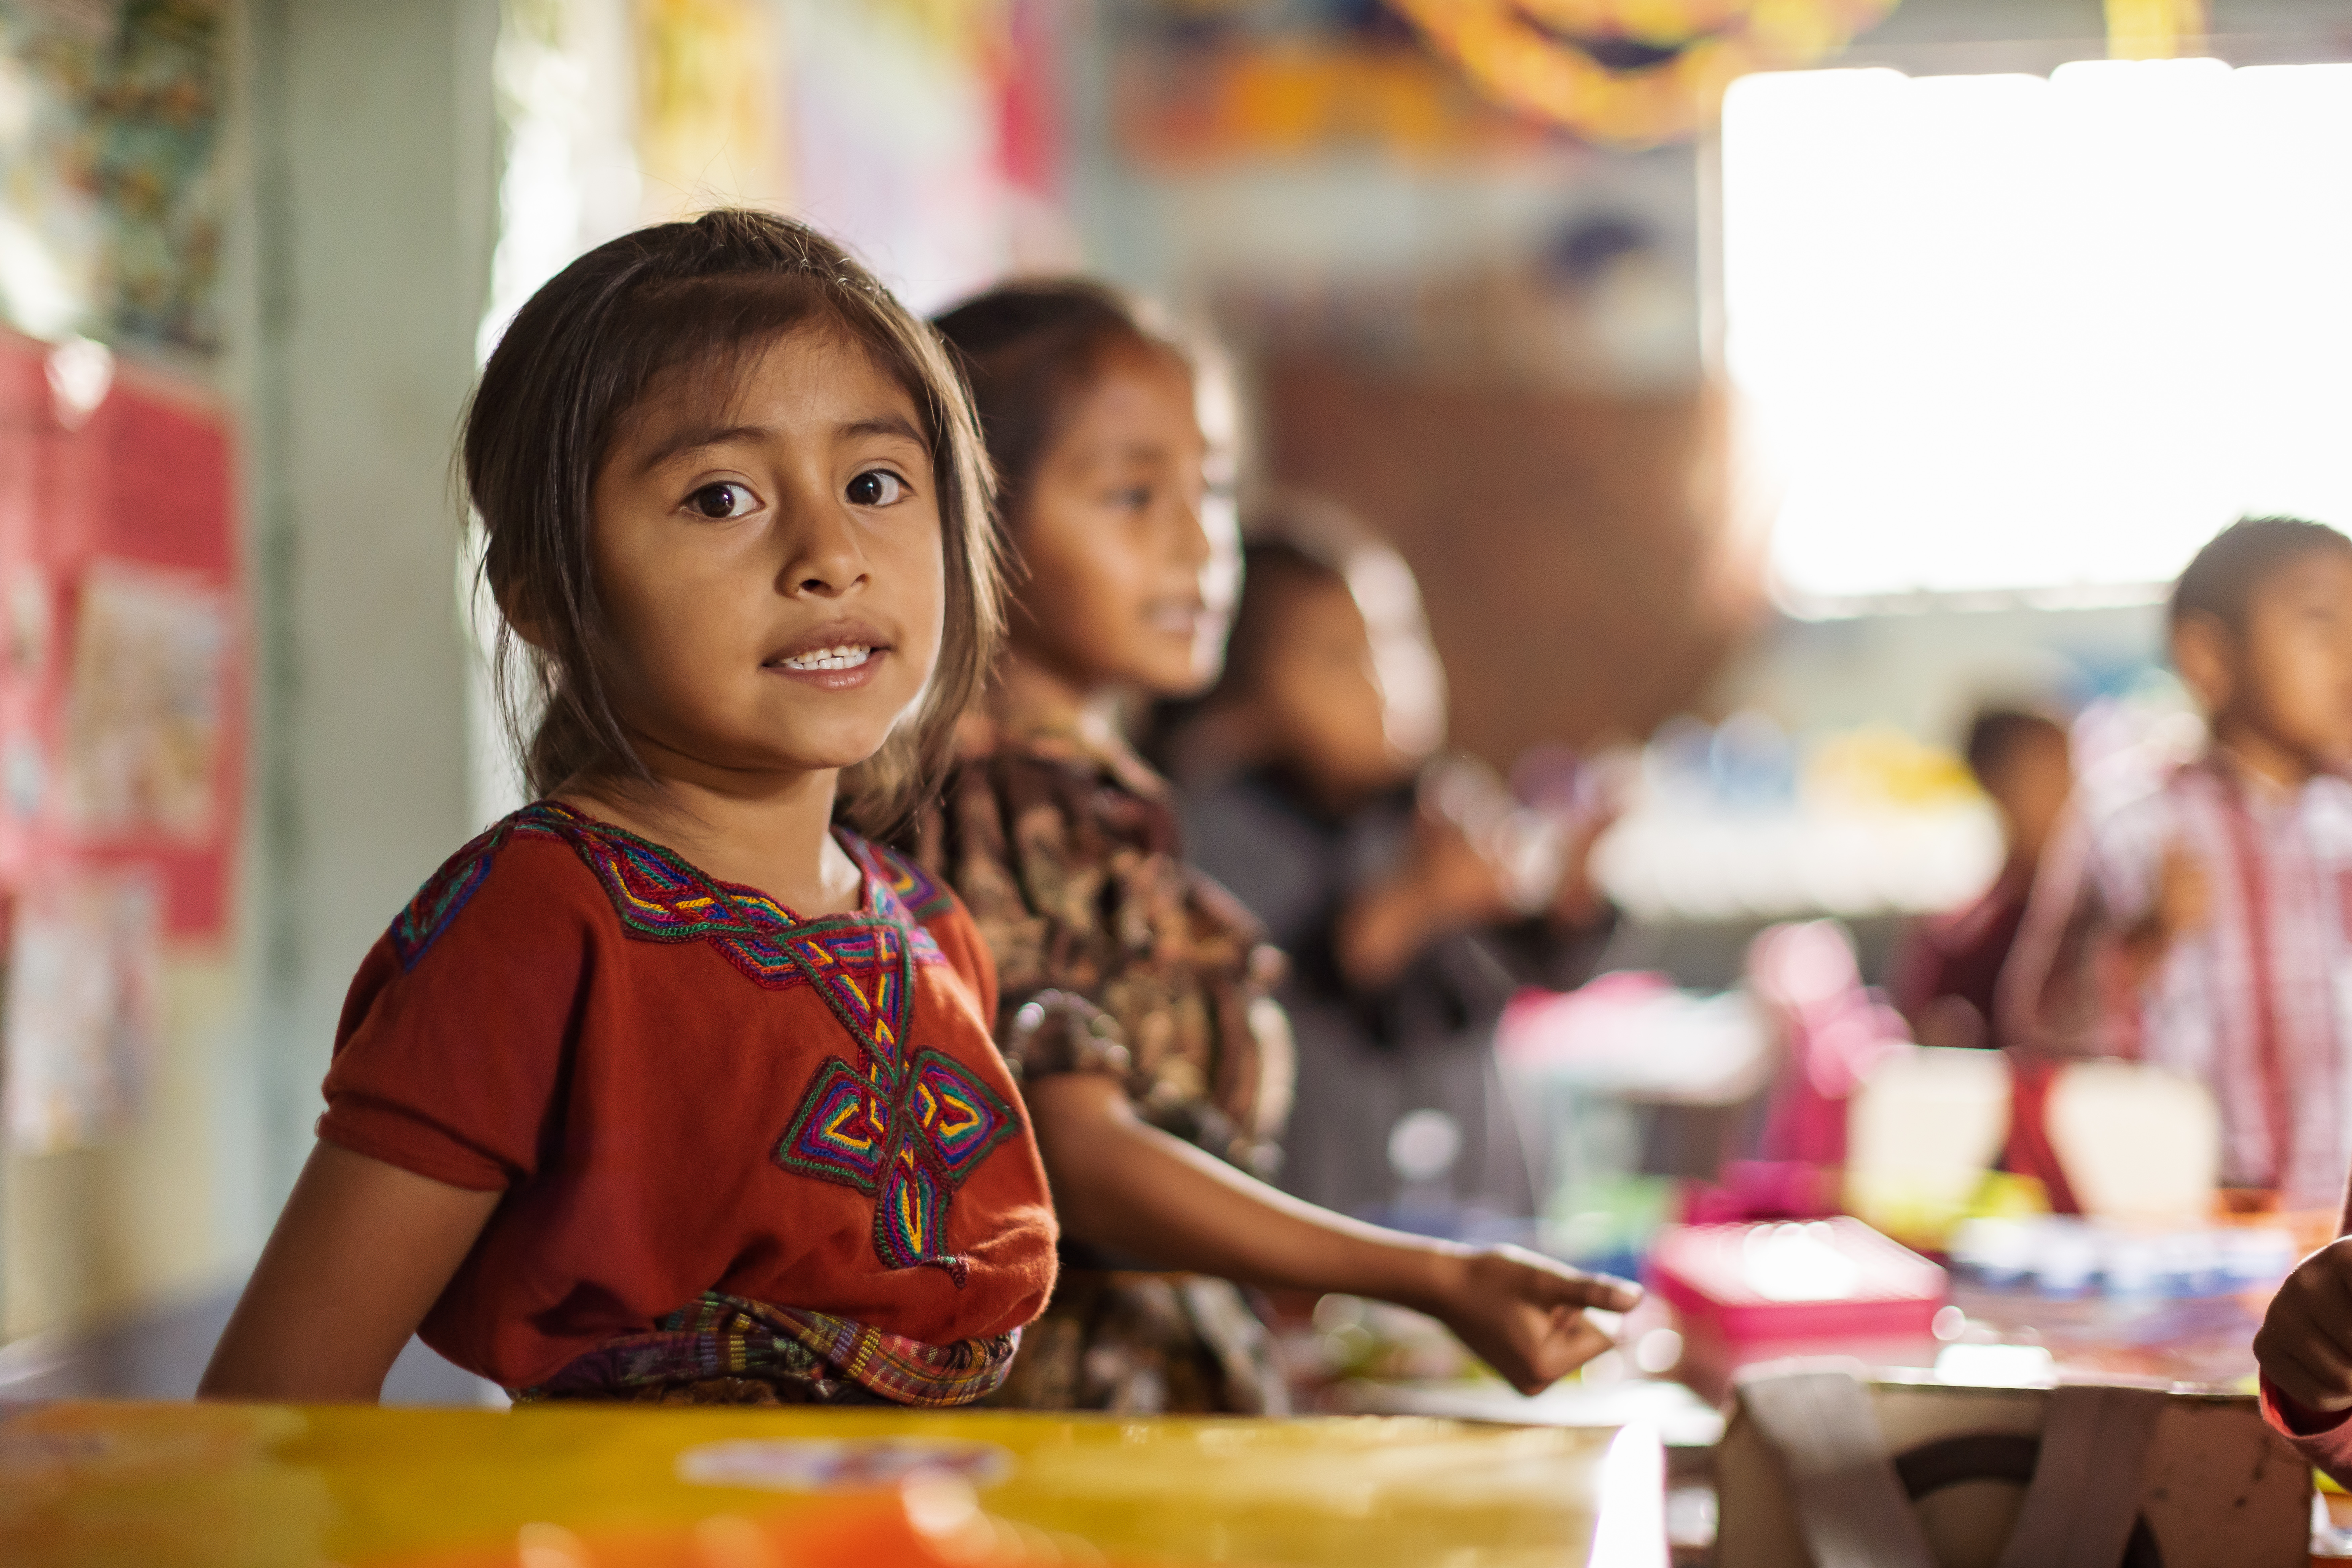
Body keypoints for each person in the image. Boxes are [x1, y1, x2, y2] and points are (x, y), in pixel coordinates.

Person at [199, 211, 1056, 1405]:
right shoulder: (537, 922)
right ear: (545, 593)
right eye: (720, 498)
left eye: (874, 482)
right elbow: (274, 1401)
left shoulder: (927, 925)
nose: (830, 554)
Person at [920, 280, 1636, 1414]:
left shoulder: (1106, 800)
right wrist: (1430, 1274)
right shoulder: (994, 803)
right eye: (1131, 493)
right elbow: (1076, 1154)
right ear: (973, 516)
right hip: (1082, 1444)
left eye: (1207, 487)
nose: (1199, 540)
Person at [1165, 514, 1616, 1222]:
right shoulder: (1220, 830)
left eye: (1398, 640)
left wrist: (1570, 889)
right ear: (1245, 693)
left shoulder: (1438, 805)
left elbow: (1544, 958)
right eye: (1338, 660)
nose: (1385, 681)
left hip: (1480, 1182)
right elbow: (1303, 978)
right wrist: (1421, 897)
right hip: (1331, 1198)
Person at [2002, 517, 2352, 1215]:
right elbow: (2035, 1026)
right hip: (2187, 1229)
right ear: (2207, 658)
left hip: (2334, 1228)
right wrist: (2142, 942)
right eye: (2320, 625)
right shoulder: (2130, 823)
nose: (2349, 656)